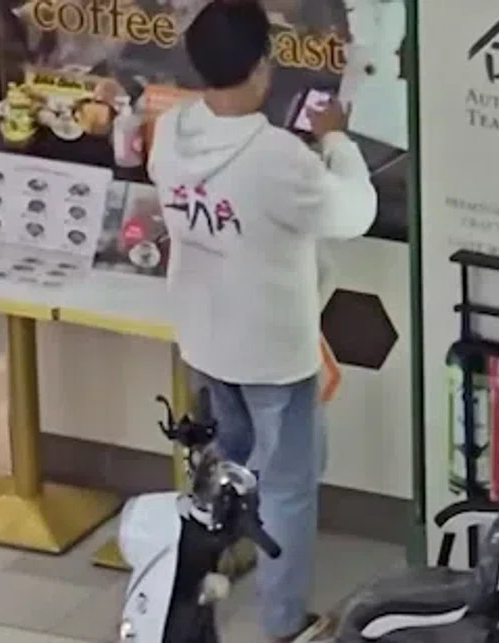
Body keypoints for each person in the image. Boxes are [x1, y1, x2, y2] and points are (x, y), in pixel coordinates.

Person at [146, 0, 376, 641]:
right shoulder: (277, 157)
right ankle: (284, 623)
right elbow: (352, 213)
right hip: (273, 348)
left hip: (206, 334)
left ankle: (200, 592)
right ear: (263, 70)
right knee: (290, 486)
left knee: (229, 466)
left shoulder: (171, 134)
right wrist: (335, 138)